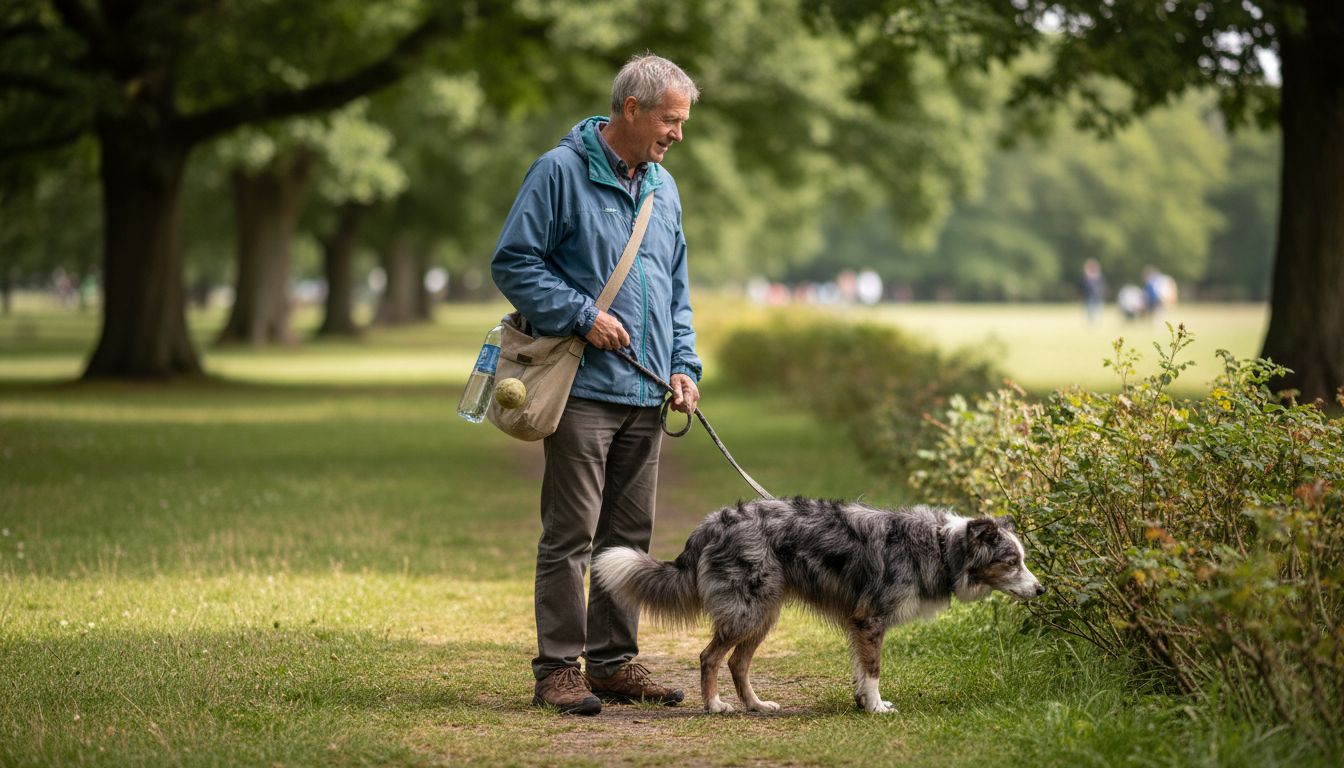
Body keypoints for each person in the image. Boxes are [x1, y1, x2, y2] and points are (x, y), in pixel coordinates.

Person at [490, 53, 702, 716]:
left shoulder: (663, 188)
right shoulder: (558, 172)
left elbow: (676, 288)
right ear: (630, 109)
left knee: (629, 539)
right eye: (670, 120)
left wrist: (684, 366)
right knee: (571, 535)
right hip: (581, 388)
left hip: (647, 393)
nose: (677, 134)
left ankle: (612, 662)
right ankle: (558, 667)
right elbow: (514, 263)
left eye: (683, 123)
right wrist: (584, 314)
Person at [1080, 258, 1105, 325]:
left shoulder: (1097, 277)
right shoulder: (1087, 278)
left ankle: (1095, 321)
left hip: (1096, 295)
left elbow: (1101, 285)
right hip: (1089, 295)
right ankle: (1091, 321)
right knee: (1090, 308)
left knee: (1096, 308)